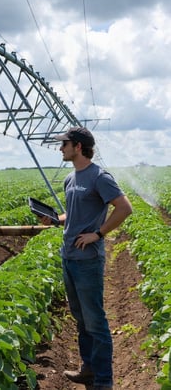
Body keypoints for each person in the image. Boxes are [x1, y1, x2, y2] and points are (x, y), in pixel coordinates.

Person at [40, 127, 132, 390]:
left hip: (88, 259)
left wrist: (98, 234)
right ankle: (88, 370)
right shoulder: (71, 179)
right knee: (81, 318)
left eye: (64, 144)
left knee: (95, 321)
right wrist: (54, 220)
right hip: (68, 256)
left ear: (78, 146)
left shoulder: (99, 176)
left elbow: (124, 207)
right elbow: (74, 214)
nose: (60, 148)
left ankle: (104, 381)